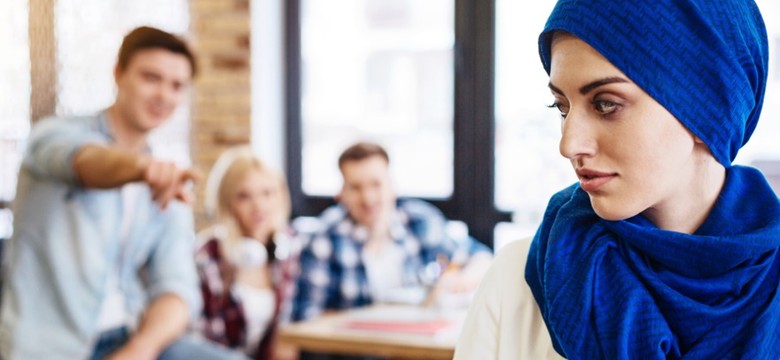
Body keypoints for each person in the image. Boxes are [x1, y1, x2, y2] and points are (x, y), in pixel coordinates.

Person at [455, 0, 779, 359]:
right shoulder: (519, 280)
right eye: (561, 107)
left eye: (606, 104)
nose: (568, 144)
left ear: (711, 110)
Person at [0, 26, 246, 359]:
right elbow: (86, 162)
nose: (163, 95)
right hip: (49, 346)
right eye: (151, 78)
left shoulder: (168, 183)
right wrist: (141, 170)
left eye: (177, 86)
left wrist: (139, 350)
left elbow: (177, 288)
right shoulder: (55, 135)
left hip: (126, 338)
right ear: (119, 74)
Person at [290, 141, 493, 322]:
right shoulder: (324, 239)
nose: (368, 198)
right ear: (342, 193)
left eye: (376, 184)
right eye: (356, 187)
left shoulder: (420, 221)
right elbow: (307, 318)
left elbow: (480, 256)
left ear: (392, 185)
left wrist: (459, 280)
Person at [196, 146, 301, 359]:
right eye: (244, 196)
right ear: (227, 202)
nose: (259, 205)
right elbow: (202, 340)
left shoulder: (286, 248)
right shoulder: (207, 255)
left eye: (267, 193)